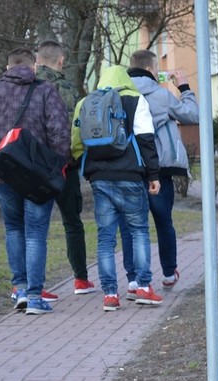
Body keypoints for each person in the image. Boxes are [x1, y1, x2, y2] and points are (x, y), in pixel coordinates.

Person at [0, 47, 70, 315]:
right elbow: (60, 133)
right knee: (36, 233)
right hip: (38, 176)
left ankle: (20, 289)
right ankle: (35, 296)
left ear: (7, 67)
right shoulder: (46, 91)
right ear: (34, 66)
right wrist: (56, 169)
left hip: (4, 173)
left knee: (13, 229)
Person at [71, 65, 162, 312]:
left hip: (99, 178)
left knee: (105, 238)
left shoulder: (86, 102)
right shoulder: (136, 100)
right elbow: (145, 138)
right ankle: (143, 287)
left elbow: (76, 142)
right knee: (139, 231)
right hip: (130, 175)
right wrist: (153, 174)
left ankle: (110, 294)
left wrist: (87, 169)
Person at [120, 49, 199, 297]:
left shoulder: (119, 93)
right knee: (164, 222)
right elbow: (192, 114)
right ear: (151, 69)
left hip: (128, 168)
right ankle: (168, 272)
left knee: (131, 226)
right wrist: (183, 87)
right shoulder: (161, 95)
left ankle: (133, 279)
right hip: (160, 168)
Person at [36, 39, 96, 296]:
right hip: (65, 167)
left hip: (34, 168)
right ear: (61, 60)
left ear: (37, 61)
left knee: (35, 228)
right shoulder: (69, 90)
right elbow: (79, 130)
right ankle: (80, 279)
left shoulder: (28, 87)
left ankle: (34, 284)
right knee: (72, 222)